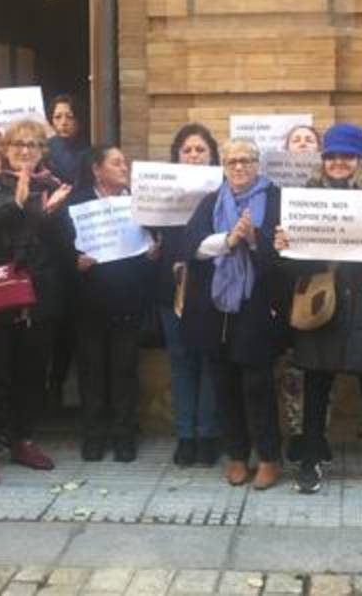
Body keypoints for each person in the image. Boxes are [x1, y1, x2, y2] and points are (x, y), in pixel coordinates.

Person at [273, 123, 362, 494]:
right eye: (331, 156)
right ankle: (310, 461)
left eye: (346, 156)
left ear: (361, 157)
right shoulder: (308, 195)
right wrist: (285, 246)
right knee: (316, 381)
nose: (338, 162)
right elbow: (291, 266)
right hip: (325, 298)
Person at [0, 120, 73, 484]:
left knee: (31, 375)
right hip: (0, 294)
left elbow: (66, 245)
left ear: (42, 151)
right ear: (6, 149)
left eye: (33, 145)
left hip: (40, 296)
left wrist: (52, 215)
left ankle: (23, 440)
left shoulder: (52, 186)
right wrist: (16, 201)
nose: (25, 150)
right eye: (18, 145)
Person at [182, 138, 289, 489]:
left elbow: (286, 255)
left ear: (258, 163)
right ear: (223, 166)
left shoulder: (276, 199)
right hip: (215, 308)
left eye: (246, 160)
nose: (239, 167)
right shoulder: (211, 201)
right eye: (232, 162)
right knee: (224, 383)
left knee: (258, 385)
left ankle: (270, 458)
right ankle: (238, 456)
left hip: (258, 305)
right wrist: (229, 241)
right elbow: (193, 247)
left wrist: (254, 239)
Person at [67, 145, 159, 462]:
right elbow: (59, 247)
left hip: (127, 300)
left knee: (124, 369)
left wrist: (152, 254)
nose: (124, 168)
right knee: (92, 371)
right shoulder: (77, 201)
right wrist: (74, 261)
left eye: (125, 162)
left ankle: (124, 435)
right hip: (89, 302)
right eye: (117, 162)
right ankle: (93, 435)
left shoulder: (136, 201)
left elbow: (150, 242)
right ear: (97, 169)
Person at [159, 123, 222, 467]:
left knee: (210, 363)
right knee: (181, 362)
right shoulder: (160, 190)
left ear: (212, 155)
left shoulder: (225, 190)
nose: (194, 155)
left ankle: (209, 433)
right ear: (177, 156)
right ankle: (185, 436)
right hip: (171, 287)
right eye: (187, 150)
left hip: (212, 286)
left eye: (200, 150)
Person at [274, 123, 332, 464]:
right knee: (291, 365)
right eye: (295, 139)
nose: (302, 144)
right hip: (285, 285)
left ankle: (319, 432)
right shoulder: (272, 189)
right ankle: (297, 431)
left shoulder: (332, 186)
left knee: (323, 363)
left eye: (309, 140)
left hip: (323, 282)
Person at [44, 95, 88, 411]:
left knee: (76, 319)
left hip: (80, 239)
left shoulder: (87, 153)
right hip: (50, 241)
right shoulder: (43, 152)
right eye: (57, 116)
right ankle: (52, 385)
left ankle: (66, 383)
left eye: (69, 116)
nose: (62, 123)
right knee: (53, 319)